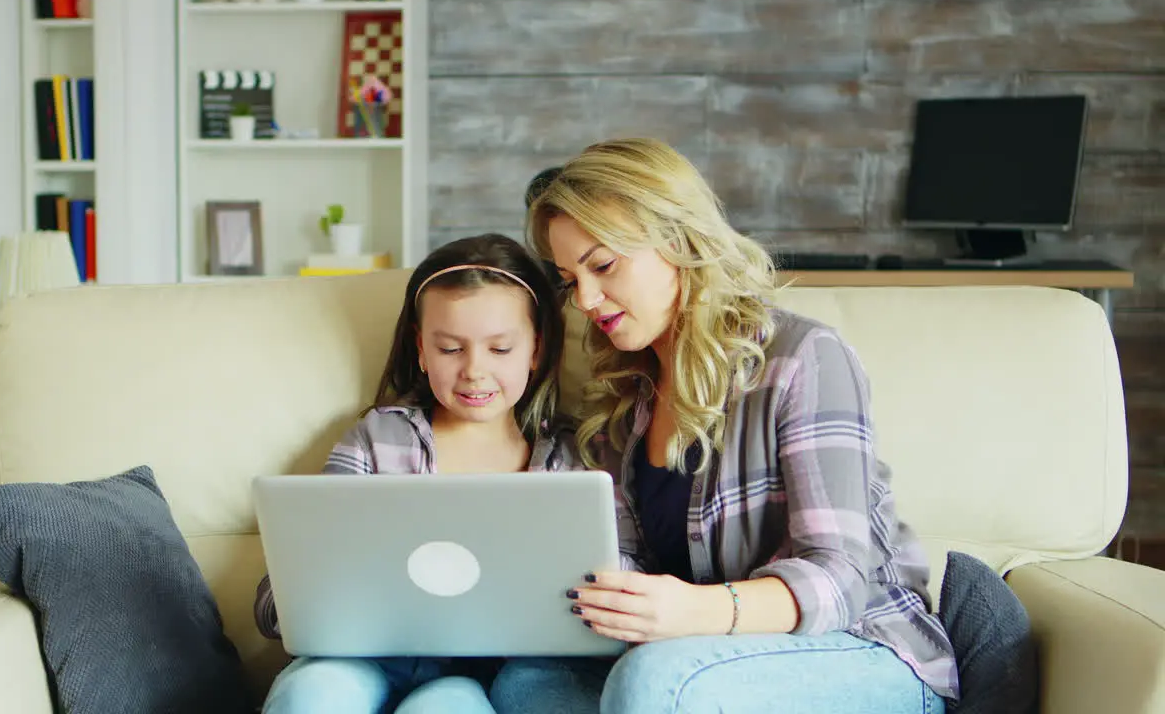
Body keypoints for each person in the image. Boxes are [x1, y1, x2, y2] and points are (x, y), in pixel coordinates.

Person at [490, 138, 959, 714]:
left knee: (653, 682)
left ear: (680, 240)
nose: (584, 298)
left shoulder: (804, 359)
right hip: (701, 650)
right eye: (569, 279)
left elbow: (838, 580)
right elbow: (629, 563)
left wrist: (693, 612)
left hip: (858, 649)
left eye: (604, 265)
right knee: (526, 684)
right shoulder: (622, 392)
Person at [254, 232, 578, 714]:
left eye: (500, 349)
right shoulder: (377, 439)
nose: (474, 370)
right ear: (421, 350)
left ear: (536, 349)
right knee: (313, 694)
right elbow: (278, 600)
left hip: (477, 678)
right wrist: (307, 593)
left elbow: (620, 572)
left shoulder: (565, 461)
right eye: (450, 349)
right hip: (361, 659)